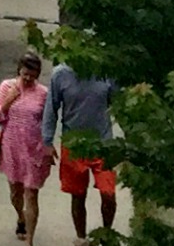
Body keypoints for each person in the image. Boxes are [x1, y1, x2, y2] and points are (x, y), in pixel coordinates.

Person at [0, 52, 53, 246]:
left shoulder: (43, 93)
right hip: (12, 147)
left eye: (32, 75)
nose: (28, 79)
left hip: (34, 148)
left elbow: (48, 121)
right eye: (25, 74)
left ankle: (30, 244)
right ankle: (20, 216)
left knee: (31, 193)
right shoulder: (7, 87)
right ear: (19, 72)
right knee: (16, 191)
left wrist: (49, 144)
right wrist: (9, 100)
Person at [43, 59, 121, 236]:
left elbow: (118, 104)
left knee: (108, 194)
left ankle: (107, 236)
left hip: (102, 143)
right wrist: (47, 141)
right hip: (74, 145)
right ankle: (81, 239)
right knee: (78, 195)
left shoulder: (105, 72)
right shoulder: (60, 74)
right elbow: (51, 108)